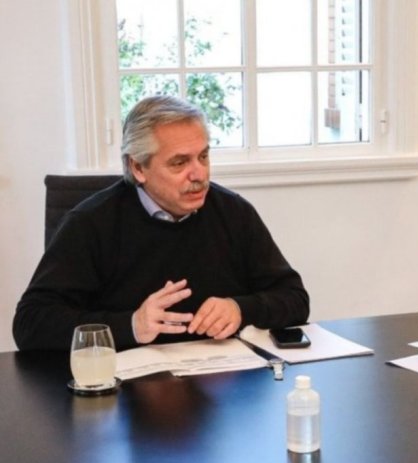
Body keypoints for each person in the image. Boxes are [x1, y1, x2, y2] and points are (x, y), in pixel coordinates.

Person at [14, 95, 309, 351]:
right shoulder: (90, 223)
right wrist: (131, 325)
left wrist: (241, 309)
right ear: (138, 167)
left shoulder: (234, 212)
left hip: (221, 381)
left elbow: (295, 299)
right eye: (179, 163)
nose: (199, 174)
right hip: (128, 389)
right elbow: (31, 324)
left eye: (203, 157)